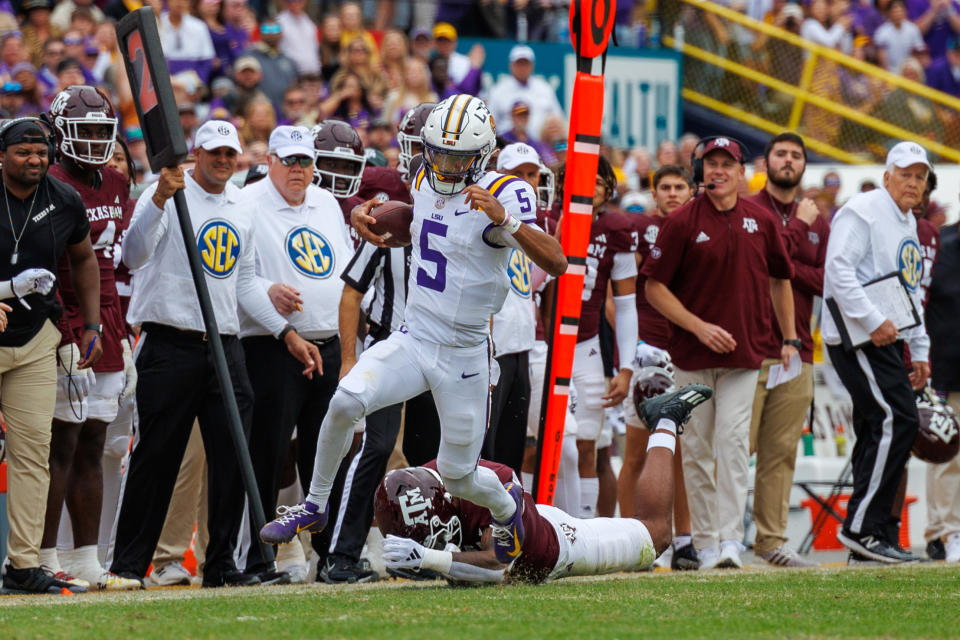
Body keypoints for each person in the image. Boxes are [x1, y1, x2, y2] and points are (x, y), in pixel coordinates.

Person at [260, 94, 567, 567]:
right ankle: (315, 505)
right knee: (345, 399)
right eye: (437, 152)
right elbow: (422, 228)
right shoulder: (425, 175)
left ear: (483, 154)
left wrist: (506, 221)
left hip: (465, 352)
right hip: (414, 336)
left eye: (457, 157)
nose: (443, 164)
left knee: (459, 476)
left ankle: (509, 512)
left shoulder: (504, 192)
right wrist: (372, 219)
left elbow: (557, 261)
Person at [111, 120, 320, 588]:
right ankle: (127, 564)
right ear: (196, 154)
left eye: (230, 154)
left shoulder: (242, 205)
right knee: (156, 457)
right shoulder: (165, 191)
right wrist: (161, 199)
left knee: (233, 458)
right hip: (169, 339)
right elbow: (133, 253)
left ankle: (221, 563)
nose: (223, 161)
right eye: (214, 153)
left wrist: (284, 330)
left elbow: (243, 281)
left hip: (225, 345)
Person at [377, 384, 713, 584]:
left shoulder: (492, 490)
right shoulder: (430, 477)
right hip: (535, 523)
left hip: (560, 547)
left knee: (656, 535)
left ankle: (665, 419)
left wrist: (429, 558)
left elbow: (499, 565)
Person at [643, 137, 798, 570]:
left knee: (732, 445)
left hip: (747, 354)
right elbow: (654, 288)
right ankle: (706, 542)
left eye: (727, 163)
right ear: (701, 170)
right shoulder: (682, 221)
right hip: (692, 355)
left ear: (741, 171)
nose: (718, 171)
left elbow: (781, 279)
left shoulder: (762, 220)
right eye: (711, 163)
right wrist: (698, 326)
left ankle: (732, 540)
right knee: (696, 449)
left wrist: (791, 339)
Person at [38, 86, 140, 591]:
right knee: (61, 442)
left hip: (108, 322)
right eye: (87, 131)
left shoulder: (119, 182)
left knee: (95, 441)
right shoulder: (49, 182)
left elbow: (117, 259)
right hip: (65, 320)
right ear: (60, 135)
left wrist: (118, 328)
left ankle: (85, 559)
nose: (97, 140)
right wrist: (60, 331)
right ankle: (42, 556)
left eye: (104, 131)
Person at [0, 117, 102, 594]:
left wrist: (92, 323)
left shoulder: (63, 199)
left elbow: (84, 257)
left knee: (32, 453)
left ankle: (22, 564)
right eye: (23, 152)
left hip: (36, 340)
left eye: (41, 152)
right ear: (2, 155)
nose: (34, 160)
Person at [237, 125, 341, 582]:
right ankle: (267, 554)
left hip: (328, 339)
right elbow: (235, 277)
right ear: (271, 162)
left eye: (305, 161)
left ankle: (329, 551)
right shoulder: (248, 202)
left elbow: (339, 266)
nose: (299, 170)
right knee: (271, 450)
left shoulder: (328, 202)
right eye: (290, 161)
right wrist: (267, 290)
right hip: (271, 343)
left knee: (325, 452)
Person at [821, 141, 931, 563]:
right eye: (905, 173)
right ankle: (862, 528)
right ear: (887, 175)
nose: (913, 182)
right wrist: (871, 320)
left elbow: (910, 289)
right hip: (857, 335)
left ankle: (877, 534)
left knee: (877, 425)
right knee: (896, 418)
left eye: (919, 176)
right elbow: (838, 269)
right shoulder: (864, 209)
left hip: (885, 335)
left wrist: (918, 347)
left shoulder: (908, 223)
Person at [746, 133, 829, 568]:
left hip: (798, 352)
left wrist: (787, 267)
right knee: (737, 446)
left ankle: (771, 540)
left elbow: (826, 281)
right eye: (782, 153)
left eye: (797, 155)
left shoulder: (821, 219)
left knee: (781, 451)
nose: (789, 160)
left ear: (803, 166)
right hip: (752, 347)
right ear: (768, 161)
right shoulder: (749, 210)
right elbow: (760, 267)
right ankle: (717, 539)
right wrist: (795, 236)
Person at [619, 165, 698, 570]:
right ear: (654, 193)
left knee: (680, 453)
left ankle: (684, 539)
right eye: (664, 187)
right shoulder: (639, 228)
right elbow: (619, 299)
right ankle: (634, 540)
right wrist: (630, 351)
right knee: (636, 452)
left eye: (678, 186)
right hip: (647, 349)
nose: (671, 193)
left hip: (687, 350)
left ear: (691, 190)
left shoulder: (702, 228)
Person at [554, 155, 638, 519]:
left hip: (587, 346)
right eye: (579, 183)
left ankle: (583, 529)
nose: (588, 191)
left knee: (587, 446)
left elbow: (627, 304)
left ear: (608, 189)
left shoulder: (616, 229)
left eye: (596, 184)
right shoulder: (547, 219)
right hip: (546, 343)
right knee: (539, 446)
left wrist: (627, 367)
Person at [485, 142, 541, 475]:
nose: (524, 182)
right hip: (494, 347)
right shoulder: (488, 219)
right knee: (488, 450)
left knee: (513, 450)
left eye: (530, 174)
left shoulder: (534, 226)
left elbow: (535, 286)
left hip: (522, 343)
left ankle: (509, 523)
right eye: (515, 174)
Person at [924, 207, 960, 562]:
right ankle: (949, 533)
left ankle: (943, 531)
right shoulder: (940, 245)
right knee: (948, 457)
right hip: (946, 370)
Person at [485, 45, 564, 143]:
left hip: (541, 147)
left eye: (525, 63)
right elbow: (490, 125)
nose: (522, 67)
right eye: (519, 63)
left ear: (532, 65)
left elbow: (558, 119)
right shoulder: (498, 90)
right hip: (509, 145)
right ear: (511, 65)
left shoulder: (544, 88)